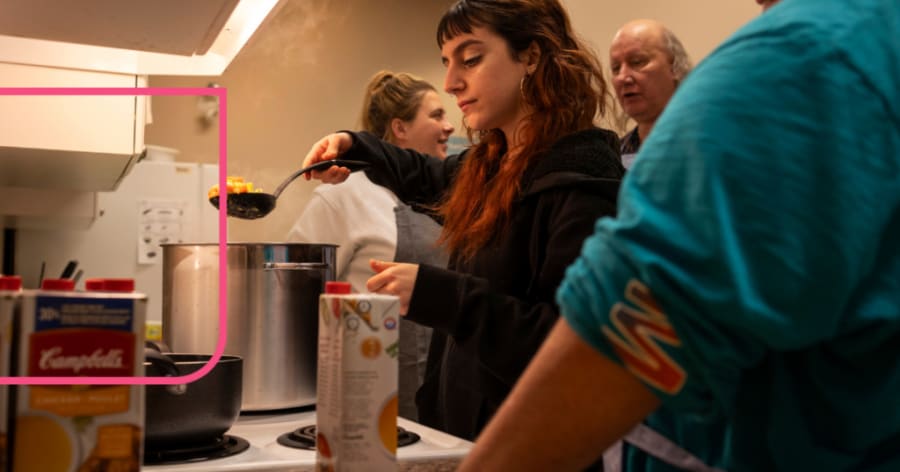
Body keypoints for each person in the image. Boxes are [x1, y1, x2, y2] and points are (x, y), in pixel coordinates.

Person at [457, 0, 900, 470]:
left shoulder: (802, 60)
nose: (625, 76)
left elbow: (635, 323)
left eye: (470, 59)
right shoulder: (874, 40)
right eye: (617, 66)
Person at [301, 0, 624, 443]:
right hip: (464, 437)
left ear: (531, 56)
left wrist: (440, 295)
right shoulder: (493, 162)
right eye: (447, 63)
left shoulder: (582, 180)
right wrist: (352, 145)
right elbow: (422, 174)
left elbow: (570, 347)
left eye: (471, 59)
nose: (452, 83)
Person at [287, 70, 454, 421]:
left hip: (441, 389)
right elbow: (293, 291)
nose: (450, 126)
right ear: (400, 128)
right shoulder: (343, 196)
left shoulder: (450, 200)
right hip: (368, 393)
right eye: (437, 115)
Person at [609, 19, 691, 167]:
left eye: (637, 62)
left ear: (674, 66)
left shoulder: (706, 142)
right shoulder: (614, 158)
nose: (623, 77)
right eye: (616, 68)